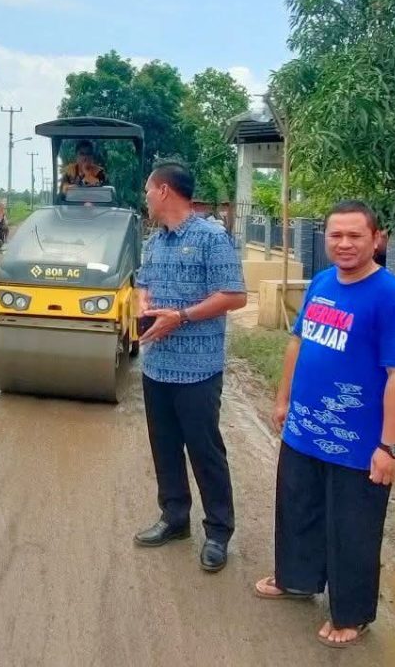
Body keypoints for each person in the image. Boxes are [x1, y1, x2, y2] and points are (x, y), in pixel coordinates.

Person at [252, 200, 395, 649]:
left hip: (357, 444)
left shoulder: (392, 298)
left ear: (377, 239)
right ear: (325, 238)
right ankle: (296, 579)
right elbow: (299, 343)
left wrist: (390, 447)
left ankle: (351, 613)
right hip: (305, 430)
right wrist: (283, 399)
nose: (344, 244)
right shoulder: (323, 283)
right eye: (336, 235)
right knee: (298, 510)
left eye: (355, 236)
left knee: (353, 530)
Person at [133, 161, 248, 572]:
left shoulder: (211, 238)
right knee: (164, 446)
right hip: (156, 366)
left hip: (198, 369)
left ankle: (218, 531)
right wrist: (143, 304)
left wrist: (179, 317)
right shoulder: (155, 241)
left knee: (204, 450)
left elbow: (235, 296)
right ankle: (174, 517)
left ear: (164, 191)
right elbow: (142, 282)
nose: (145, 197)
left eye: (148, 190)